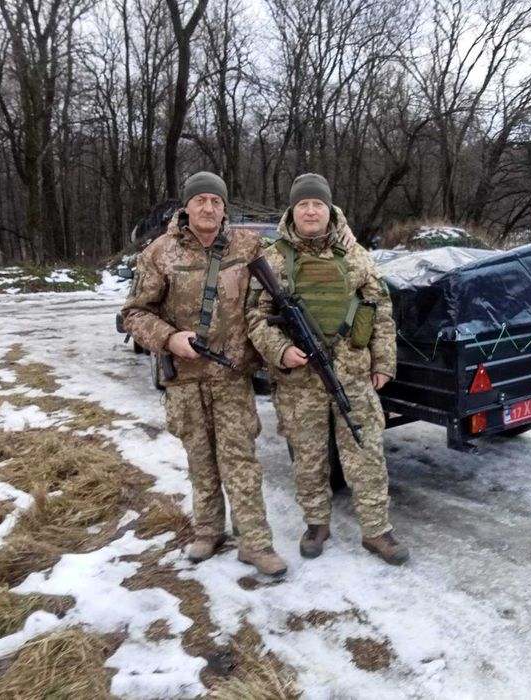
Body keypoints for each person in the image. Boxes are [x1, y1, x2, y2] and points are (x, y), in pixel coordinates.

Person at [122, 171, 286, 577]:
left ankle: (255, 542)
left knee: (241, 460)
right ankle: (208, 531)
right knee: (200, 459)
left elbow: (276, 294)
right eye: (201, 201)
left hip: (232, 377)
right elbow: (134, 314)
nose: (208, 208)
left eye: (216, 201)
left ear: (224, 207)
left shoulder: (249, 247)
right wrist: (170, 338)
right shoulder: (159, 253)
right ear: (187, 207)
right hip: (185, 376)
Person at [247, 173, 409, 565]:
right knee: (308, 456)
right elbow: (255, 317)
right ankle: (316, 523)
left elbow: (381, 310)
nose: (310, 210)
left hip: (352, 374)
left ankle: (377, 530)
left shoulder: (354, 253)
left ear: (329, 208)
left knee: (365, 450)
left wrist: (385, 361)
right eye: (303, 204)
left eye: (317, 203)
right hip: (299, 380)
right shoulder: (273, 258)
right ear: (293, 209)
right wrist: (280, 350)